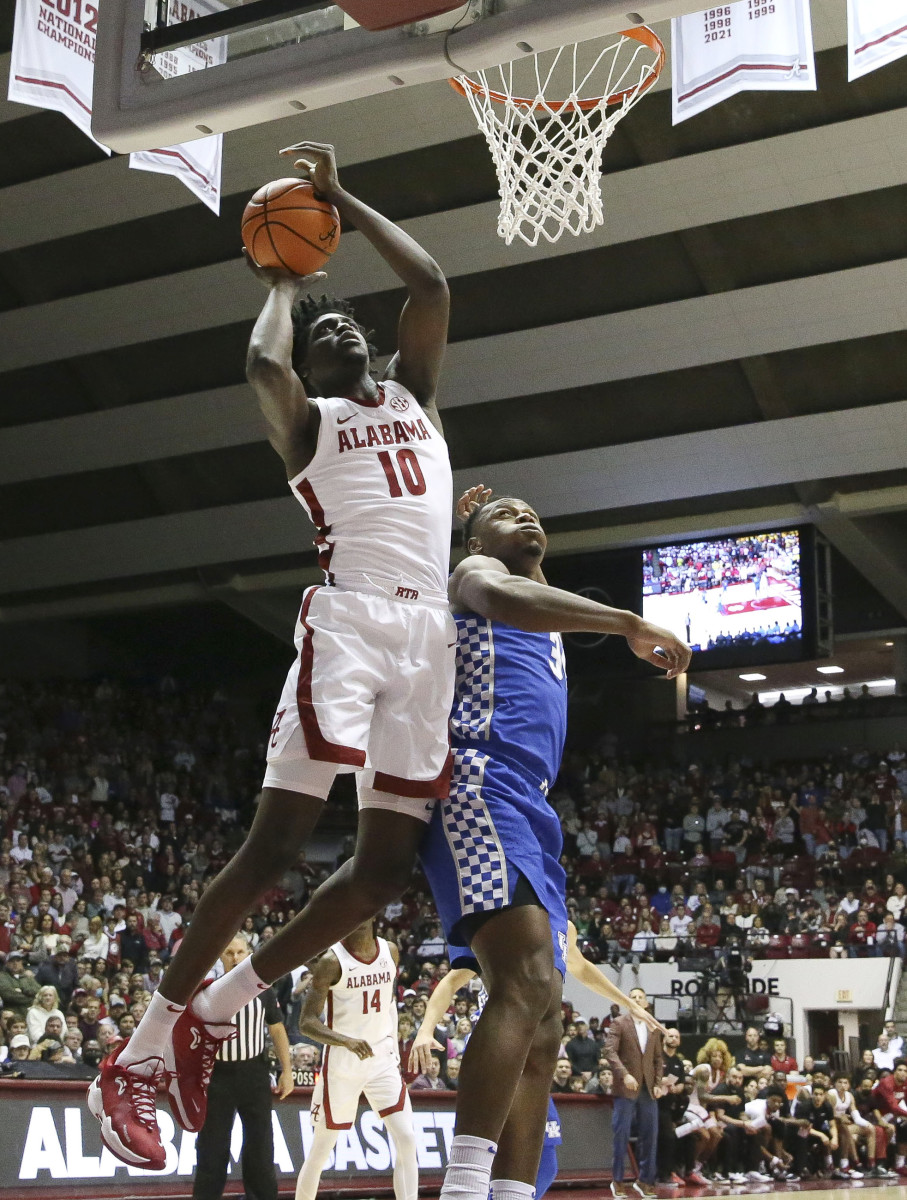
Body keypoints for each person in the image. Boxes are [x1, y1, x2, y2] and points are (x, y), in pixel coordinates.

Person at [89, 141, 456, 1169]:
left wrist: (340, 200)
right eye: (323, 331)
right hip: (348, 626)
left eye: (349, 320)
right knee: (274, 850)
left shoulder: (416, 401)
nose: (345, 325)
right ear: (314, 363)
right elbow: (259, 364)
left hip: (428, 636)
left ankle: (219, 1007)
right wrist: (287, 282)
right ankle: (144, 1047)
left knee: (381, 872)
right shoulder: (309, 423)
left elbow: (428, 283)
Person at [418, 486, 688, 1200]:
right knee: (529, 981)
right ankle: (465, 1185)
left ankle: (511, 1193)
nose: (526, 516)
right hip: (479, 780)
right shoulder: (475, 578)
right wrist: (627, 620)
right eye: (504, 514)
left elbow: (530, 601)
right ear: (474, 541)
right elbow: (504, 599)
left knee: (543, 1019)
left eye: (533, 510)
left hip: (529, 805)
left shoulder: (541, 604)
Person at [410, 922, 663, 1200]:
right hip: (497, 1046)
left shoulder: (563, 924)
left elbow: (580, 966)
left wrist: (629, 1002)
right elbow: (451, 980)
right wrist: (425, 1028)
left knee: (546, 1164)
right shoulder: (502, 922)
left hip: (533, 1054)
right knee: (489, 1156)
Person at [294, 920, 417, 1200]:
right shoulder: (331, 960)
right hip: (343, 1063)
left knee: (407, 1138)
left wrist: (393, 1048)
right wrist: (345, 1040)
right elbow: (306, 1022)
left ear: (375, 914)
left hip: (382, 1060)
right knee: (322, 1149)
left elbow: (388, 1004)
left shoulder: (391, 951)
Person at [191, 936, 293, 1200]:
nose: (235, 958)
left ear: (248, 954)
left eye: (239, 952)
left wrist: (287, 1071)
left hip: (254, 1074)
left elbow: (277, 1028)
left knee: (261, 1148)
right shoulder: (208, 990)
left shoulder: (262, 989)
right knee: (212, 1149)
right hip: (217, 1077)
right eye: (228, 953)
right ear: (220, 957)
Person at [606, 986, 664, 1198]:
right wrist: (624, 1074)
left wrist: (658, 1083)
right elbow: (609, 1051)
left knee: (650, 1136)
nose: (637, 1000)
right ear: (627, 1002)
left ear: (647, 1003)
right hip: (626, 1088)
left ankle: (645, 1180)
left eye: (641, 997)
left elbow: (658, 1059)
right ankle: (618, 1180)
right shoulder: (620, 1023)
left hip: (648, 1089)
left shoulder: (654, 1027)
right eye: (633, 997)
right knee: (620, 1135)